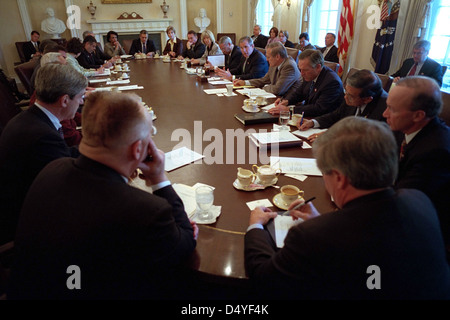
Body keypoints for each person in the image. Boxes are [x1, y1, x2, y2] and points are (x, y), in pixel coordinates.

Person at [8, 91, 198, 299]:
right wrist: (158, 177)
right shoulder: (145, 211)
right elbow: (185, 244)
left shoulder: (52, 168)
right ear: (138, 150)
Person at [244, 116, 450, 299]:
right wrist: (321, 223)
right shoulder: (420, 200)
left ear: (340, 179)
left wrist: (255, 226)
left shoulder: (311, 237)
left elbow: (264, 278)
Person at [0, 64, 87, 246]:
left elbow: (62, 154)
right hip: (26, 222)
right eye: (80, 97)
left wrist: (98, 148)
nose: (81, 103)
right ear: (64, 100)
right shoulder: (42, 136)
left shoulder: (31, 118)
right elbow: (68, 181)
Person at [383, 76, 450, 256]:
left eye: (391, 109)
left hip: (420, 235)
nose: (384, 114)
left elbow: (402, 201)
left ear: (418, 115)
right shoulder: (403, 127)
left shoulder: (437, 152)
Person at [299, 69, 387, 143]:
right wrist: (313, 122)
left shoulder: (383, 110)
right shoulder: (352, 94)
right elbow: (336, 115)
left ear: (367, 99)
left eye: (350, 96)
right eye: (346, 92)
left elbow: (366, 139)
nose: (345, 97)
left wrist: (335, 136)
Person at [269, 49, 344, 117]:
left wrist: (289, 110)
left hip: (322, 122)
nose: (301, 73)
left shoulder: (332, 82)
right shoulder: (310, 75)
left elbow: (319, 108)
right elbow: (299, 93)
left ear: (318, 67)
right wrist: (286, 101)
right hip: (307, 117)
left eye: (305, 70)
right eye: (300, 69)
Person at [234, 42, 300, 97]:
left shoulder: (289, 66)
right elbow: (264, 80)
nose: (266, 59)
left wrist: (265, 87)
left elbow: (278, 90)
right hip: (276, 97)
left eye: (268, 57)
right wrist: (245, 82)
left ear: (277, 57)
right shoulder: (275, 63)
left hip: (287, 102)